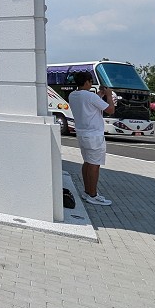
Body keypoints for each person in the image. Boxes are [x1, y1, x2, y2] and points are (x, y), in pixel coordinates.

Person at [67, 70, 116, 206]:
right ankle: (93, 195)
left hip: (82, 133)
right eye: (90, 82)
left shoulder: (73, 95)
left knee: (87, 162)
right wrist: (109, 95)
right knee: (94, 165)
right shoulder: (90, 96)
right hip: (94, 135)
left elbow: (89, 105)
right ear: (87, 81)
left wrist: (100, 96)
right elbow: (110, 110)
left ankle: (87, 192)